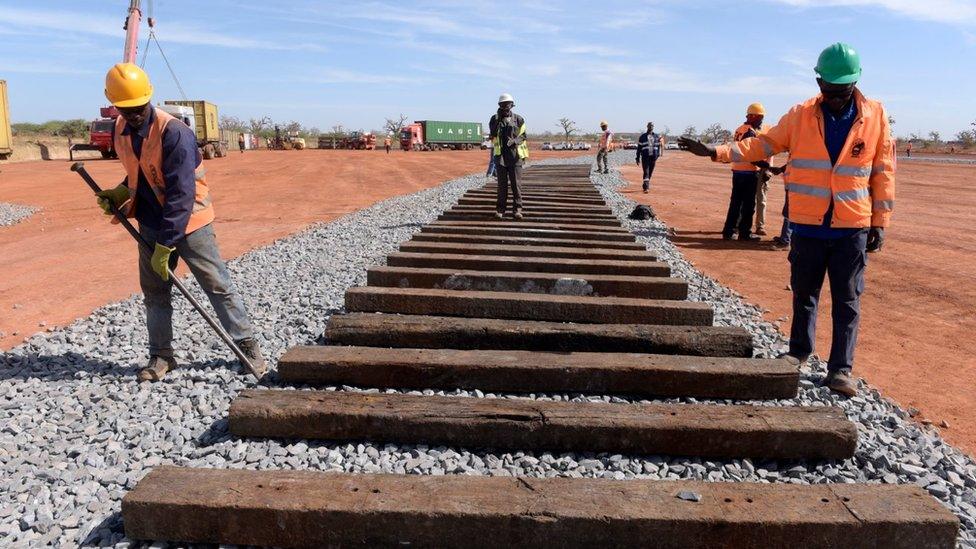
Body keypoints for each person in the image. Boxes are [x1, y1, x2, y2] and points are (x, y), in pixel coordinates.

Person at [679, 43, 895, 397]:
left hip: (851, 226)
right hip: (808, 224)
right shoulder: (800, 116)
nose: (837, 96)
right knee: (804, 293)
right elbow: (761, 146)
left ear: (856, 82)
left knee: (847, 298)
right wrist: (715, 152)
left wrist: (880, 220)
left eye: (844, 89)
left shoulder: (875, 117)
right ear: (818, 81)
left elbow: (883, 171)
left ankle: (841, 369)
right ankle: (798, 352)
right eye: (830, 88)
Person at [94, 63, 267, 382]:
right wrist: (120, 192)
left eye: (137, 108)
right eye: (125, 109)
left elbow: (181, 194)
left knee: (215, 282)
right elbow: (141, 170)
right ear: (114, 104)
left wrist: (165, 244)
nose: (132, 115)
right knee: (154, 291)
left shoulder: (175, 132)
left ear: (148, 98)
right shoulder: (121, 129)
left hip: (190, 221)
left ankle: (247, 345)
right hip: (150, 221)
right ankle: (162, 355)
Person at [720, 103, 771, 241]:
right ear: (753, 116)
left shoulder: (740, 129)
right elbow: (749, 155)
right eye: (760, 117)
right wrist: (766, 166)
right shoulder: (750, 133)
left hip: (737, 170)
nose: (762, 120)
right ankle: (744, 233)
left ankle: (728, 231)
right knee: (748, 205)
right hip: (749, 172)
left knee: (735, 203)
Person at [488, 93, 528, 219]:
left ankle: (517, 210)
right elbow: (492, 134)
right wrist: (498, 120)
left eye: (508, 104)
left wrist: (515, 141)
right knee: (502, 185)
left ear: (512, 105)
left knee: (516, 184)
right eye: (503, 104)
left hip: (515, 156)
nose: (506, 106)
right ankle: (500, 210)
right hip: (500, 157)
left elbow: (523, 136)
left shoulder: (519, 119)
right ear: (500, 105)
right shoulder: (494, 119)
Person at [635, 122, 662, 193]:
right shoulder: (642, 137)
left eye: (652, 126)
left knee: (650, 173)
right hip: (645, 157)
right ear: (647, 126)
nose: (651, 127)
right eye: (650, 126)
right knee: (646, 172)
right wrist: (637, 157)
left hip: (653, 157)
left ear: (653, 127)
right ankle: (646, 188)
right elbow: (639, 148)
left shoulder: (656, 136)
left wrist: (658, 155)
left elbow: (658, 146)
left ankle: (645, 184)